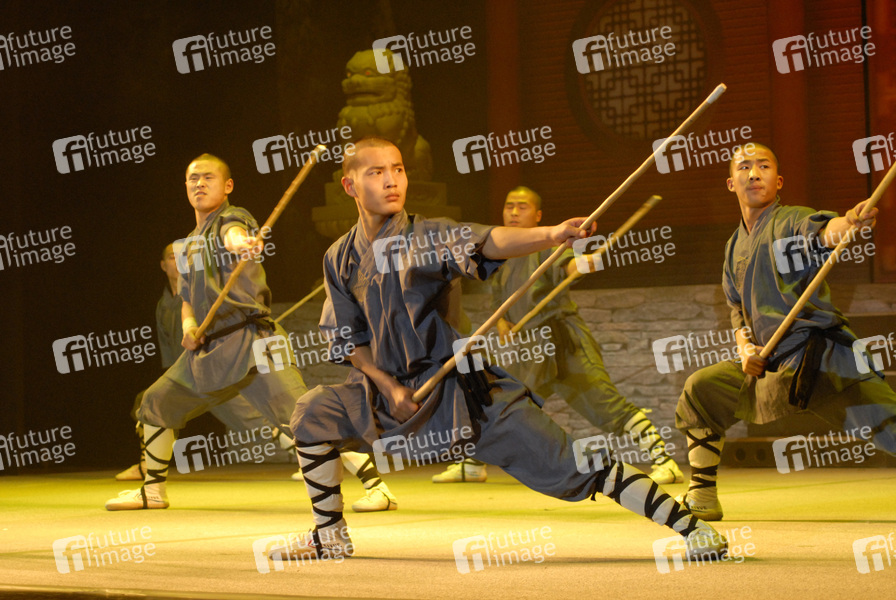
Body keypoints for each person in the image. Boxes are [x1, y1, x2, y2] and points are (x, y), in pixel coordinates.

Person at [273, 137, 726, 560]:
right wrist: (387, 386)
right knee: (312, 412)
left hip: (461, 395)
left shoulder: (427, 236)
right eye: (376, 172)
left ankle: (691, 528)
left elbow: (488, 239)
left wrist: (551, 234)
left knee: (575, 464)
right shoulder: (340, 256)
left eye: (398, 169)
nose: (392, 180)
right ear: (350, 185)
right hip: (386, 396)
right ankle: (329, 536)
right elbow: (348, 338)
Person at [106, 154, 396, 512]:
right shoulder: (185, 245)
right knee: (156, 402)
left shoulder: (233, 218)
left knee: (303, 418)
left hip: (254, 343)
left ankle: (378, 489)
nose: (199, 184)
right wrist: (189, 327)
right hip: (208, 351)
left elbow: (234, 235)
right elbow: (187, 301)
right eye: (193, 178)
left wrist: (242, 243)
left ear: (227, 186)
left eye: (208, 177)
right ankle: (152, 491)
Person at [675, 143, 896, 521]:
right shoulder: (732, 248)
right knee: (702, 389)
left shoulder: (792, 221)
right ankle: (703, 494)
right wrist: (745, 349)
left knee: (890, 426)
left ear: (778, 181)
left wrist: (849, 222)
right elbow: (736, 310)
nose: (754, 173)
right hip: (771, 364)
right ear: (731, 183)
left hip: (822, 358)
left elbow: (826, 233)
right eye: (744, 167)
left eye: (763, 166)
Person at [433, 187, 682, 484]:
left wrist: (581, 264)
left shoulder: (547, 246)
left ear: (538, 215)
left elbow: (567, 265)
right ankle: (474, 464)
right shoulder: (503, 254)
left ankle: (664, 461)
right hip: (531, 350)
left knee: (604, 404)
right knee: (500, 400)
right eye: (509, 206)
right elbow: (501, 299)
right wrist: (502, 323)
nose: (514, 212)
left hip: (563, 343)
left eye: (522, 206)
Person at [114, 243, 290, 482]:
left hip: (217, 368)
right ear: (163, 266)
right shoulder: (164, 305)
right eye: (172, 257)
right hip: (191, 373)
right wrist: (175, 380)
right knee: (148, 402)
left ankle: (312, 457)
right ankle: (148, 467)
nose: (178, 261)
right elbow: (168, 348)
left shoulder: (202, 293)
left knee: (257, 423)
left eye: (182, 257)